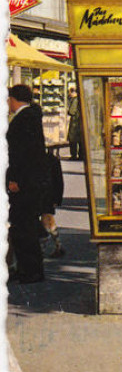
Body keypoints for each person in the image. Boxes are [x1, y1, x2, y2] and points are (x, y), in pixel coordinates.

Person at [7, 84, 50, 283]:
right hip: (31, 182)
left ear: (15, 99)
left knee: (23, 227)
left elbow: (23, 155)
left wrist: (17, 180)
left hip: (25, 184)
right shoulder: (30, 117)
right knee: (25, 226)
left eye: (8, 99)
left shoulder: (24, 120)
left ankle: (30, 270)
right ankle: (27, 268)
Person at [67, 85, 83, 161]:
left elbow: (71, 111)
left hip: (75, 122)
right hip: (81, 122)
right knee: (80, 140)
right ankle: (81, 155)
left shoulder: (75, 100)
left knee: (73, 139)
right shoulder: (82, 99)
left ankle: (73, 155)